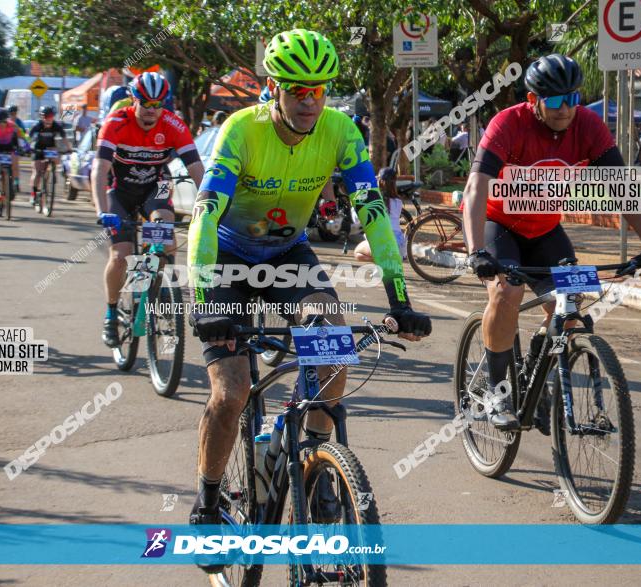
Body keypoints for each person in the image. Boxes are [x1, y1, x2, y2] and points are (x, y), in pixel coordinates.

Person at [184, 29, 431, 573]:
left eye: (318, 90)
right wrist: (207, 301)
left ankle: (319, 466)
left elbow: (373, 215)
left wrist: (400, 298)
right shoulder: (239, 131)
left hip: (288, 253)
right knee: (232, 392)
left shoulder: (342, 130)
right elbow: (203, 219)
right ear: (273, 87)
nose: (309, 101)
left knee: (334, 342)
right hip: (226, 257)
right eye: (296, 89)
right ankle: (206, 505)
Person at [461, 54, 641, 432]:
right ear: (532, 99)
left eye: (572, 99)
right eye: (554, 101)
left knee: (570, 310)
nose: (565, 109)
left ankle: (538, 381)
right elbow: (476, 187)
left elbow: (622, 188)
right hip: (498, 225)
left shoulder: (588, 126)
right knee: (507, 293)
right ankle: (496, 391)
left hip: (544, 231)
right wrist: (476, 251)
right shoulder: (507, 123)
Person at [94, 72, 205, 348]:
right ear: (134, 99)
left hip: (156, 186)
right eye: (146, 103)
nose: (152, 111)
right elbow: (100, 170)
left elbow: (196, 169)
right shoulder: (116, 122)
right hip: (119, 190)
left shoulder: (172, 124)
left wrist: (209, 205)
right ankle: (110, 313)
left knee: (164, 234)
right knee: (120, 255)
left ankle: (163, 287)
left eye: (158, 105)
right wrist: (101, 210)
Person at [354, 167, 408, 262]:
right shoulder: (398, 201)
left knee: (357, 253)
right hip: (399, 246)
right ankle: (388, 261)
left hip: (383, 244)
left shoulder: (372, 200)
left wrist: (356, 200)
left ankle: (381, 263)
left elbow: (356, 220)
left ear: (379, 181)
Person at [28, 106, 70, 206]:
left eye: (50, 116)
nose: (48, 119)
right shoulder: (38, 126)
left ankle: (52, 171)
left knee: (56, 154)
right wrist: (27, 147)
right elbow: (29, 137)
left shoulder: (56, 126)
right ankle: (34, 193)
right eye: (45, 116)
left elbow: (64, 137)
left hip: (50, 148)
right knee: (37, 172)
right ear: (42, 117)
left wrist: (69, 149)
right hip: (38, 148)